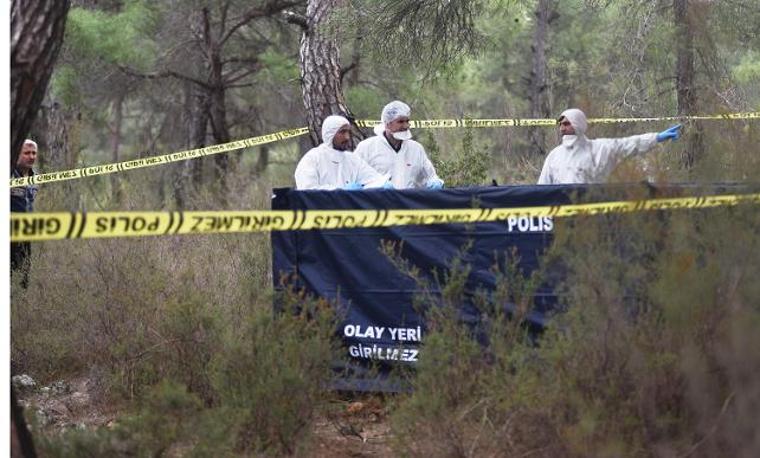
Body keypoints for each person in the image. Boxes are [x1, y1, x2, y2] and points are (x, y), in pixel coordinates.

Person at [537, 108, 682, 184]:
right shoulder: (554, 156)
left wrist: (657, 137)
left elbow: (630, 144)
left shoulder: (600, 149)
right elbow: (542, 188)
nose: (562, 128)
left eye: (567, 123)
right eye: (560, 124)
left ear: (579, 123)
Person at [354, 100, 444, 190]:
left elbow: (430, 177)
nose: (406, 126)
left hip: (407, 202)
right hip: (377, 202)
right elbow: (354, 177)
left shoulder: (416, 149)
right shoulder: (367, 147)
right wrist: (377, 186)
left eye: (407, 121)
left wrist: (435, 183)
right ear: (387, 124)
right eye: (400, 121)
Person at [295, 115, 390, 190]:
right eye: (342, 132)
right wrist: (341, 192)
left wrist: (383, 185)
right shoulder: (312, 159)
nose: (347, 137)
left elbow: (373, 179)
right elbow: (307, 192)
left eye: (349, 132)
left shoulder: (352, 160)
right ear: (330, 134)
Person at [11, 139, 39, 288]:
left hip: (26, 236)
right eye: (27, 153)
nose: (31, 156)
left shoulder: (36, 178)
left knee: (23, 279)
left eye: (34, 153)